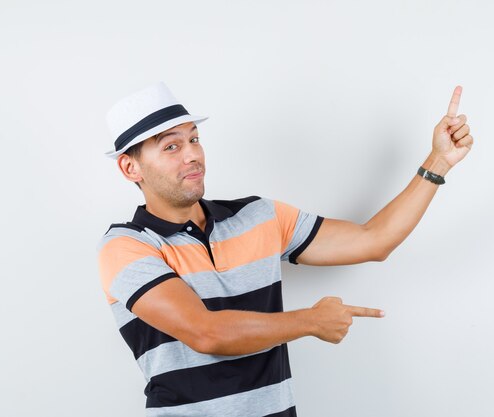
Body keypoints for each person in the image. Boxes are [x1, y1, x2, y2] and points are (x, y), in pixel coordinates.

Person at [96, 81, 473, 417]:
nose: (192, 155)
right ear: (131, 168)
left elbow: (374, 240)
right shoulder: (126, 247)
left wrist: (437, 162)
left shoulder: (259, 216)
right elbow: (207, 333)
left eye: (194, 139)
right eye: (171, 146)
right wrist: (311, 321)